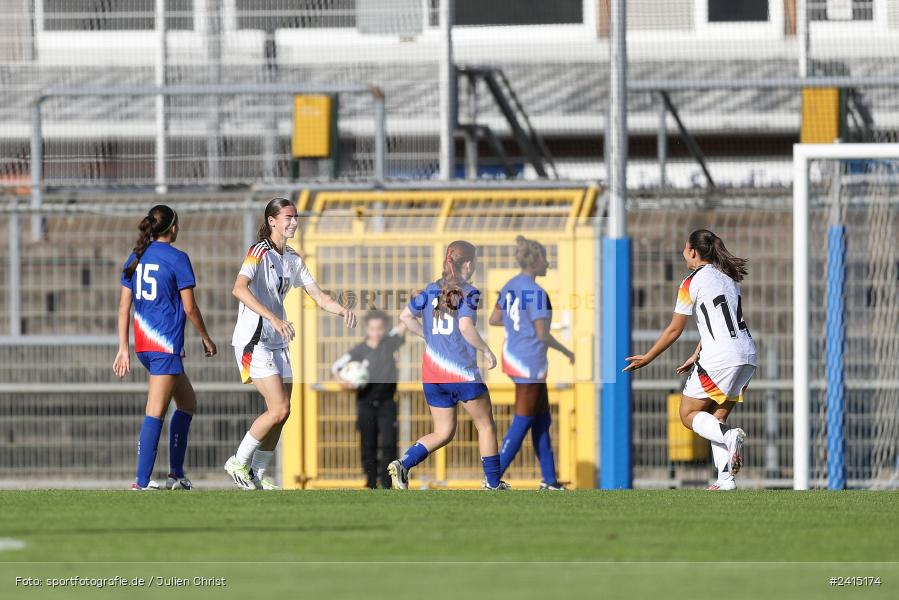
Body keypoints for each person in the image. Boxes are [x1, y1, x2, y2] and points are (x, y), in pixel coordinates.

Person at [225, 197, 357, 490]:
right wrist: (273, 318)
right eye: (288, 217)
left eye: (295, 217)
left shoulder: (293, 258)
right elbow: (238, 288)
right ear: (272, 221)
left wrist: (341, 309)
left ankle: (257, 474)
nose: (293, 222)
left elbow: (318, 296)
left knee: (283, 412)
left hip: (277, 341)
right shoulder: (258, 252)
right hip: (254, 340)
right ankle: (237, 462)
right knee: (278, 408)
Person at [624, 229, 756, 490]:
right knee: (715, 418)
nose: (683, 253)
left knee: (687, 415)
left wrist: (648, 357)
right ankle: (725, 479)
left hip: (720, 355)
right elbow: (720, 321)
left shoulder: (690, 282)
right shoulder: (729, 278)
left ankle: (729, 438)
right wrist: (697, 353)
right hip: (747, 355)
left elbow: (675, 329)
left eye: (685, 249)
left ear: (692, 252)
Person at [113, 205, 217, 491]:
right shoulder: (178, 258)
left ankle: (176, 475)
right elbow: (190, 307)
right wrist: (206, 338)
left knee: (187, 403)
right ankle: (142, 482)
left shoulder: (136, 256)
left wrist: (123, 348)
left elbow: (124, 306)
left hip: (144, 346)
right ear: (173, 228)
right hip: (164, 346)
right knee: (155, 412)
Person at [389, 240, 508, 490]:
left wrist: (428, 336)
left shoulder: (431, 289)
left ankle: (404, 463)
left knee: (443, 432)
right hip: (461, 372)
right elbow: (465, 327)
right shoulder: (469, 292)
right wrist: (486, 350)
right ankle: (493, 483)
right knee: (485, 424)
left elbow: (405, 317)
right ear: (468, 263)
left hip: (432, 374)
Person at [489, 236, 574, 490]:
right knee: (523, 419)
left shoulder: (510, 285)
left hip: (513, 354)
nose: (547, 263)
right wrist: (566, 350)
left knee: (541, 420)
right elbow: (541, 334)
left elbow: (494, 318)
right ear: (536, 261)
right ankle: (492, 476)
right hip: (529, 361)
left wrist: (517, 325)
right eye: (545, 258)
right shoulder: (537, 293)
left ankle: (549, 480)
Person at [331, 310, 406, 489]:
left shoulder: (389, 343)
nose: (377, 332)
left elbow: (404, 325)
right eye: (373, 328)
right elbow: (336, 367)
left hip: (387, 402)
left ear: (384, 328)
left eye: (380, 328)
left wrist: (415, 305)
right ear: (367, 328)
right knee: (368, 444)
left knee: (389, 443)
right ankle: (371, 482)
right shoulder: (359, 350)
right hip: (365, 403)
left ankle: (388, 484)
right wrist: (344, 383)